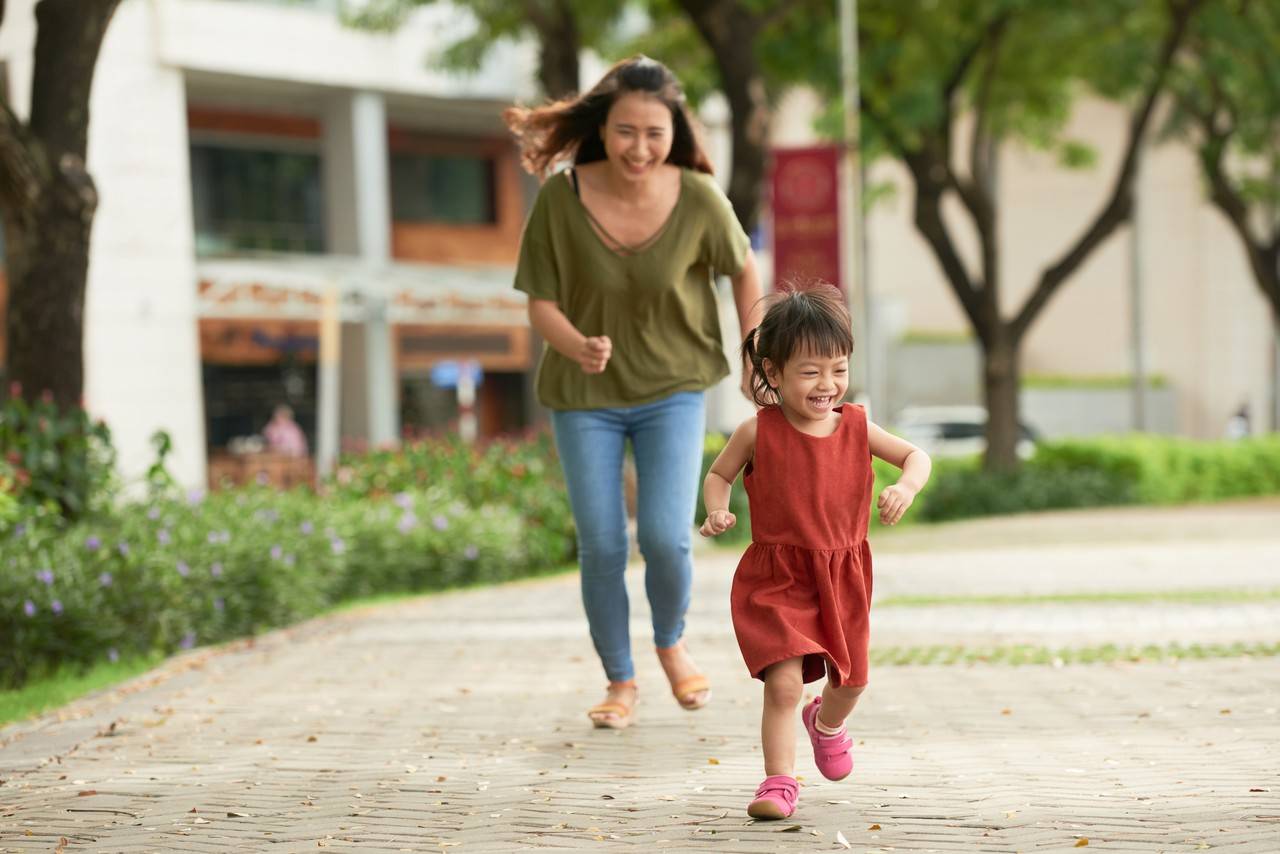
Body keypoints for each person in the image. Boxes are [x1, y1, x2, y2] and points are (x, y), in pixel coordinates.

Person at [506, 55, 764, 729]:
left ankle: (671, 642)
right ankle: (620, 680)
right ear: (603, 126)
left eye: (655, 132)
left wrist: (752, 350)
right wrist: (576, 344)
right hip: (582, 396)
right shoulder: (561, 199)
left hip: (673, 388)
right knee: (601, 543)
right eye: (626, 131)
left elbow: (743, 269)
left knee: (665, 537)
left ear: (674, 131)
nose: (640, 148)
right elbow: (540, 303)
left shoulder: (699, 197)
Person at [700, 283, 932, 819]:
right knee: (781, 684)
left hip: (843, 573)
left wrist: (906, 487)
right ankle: (778, 783)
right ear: (773, 372)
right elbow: (719, 474)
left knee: (851, 683)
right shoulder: (758, 430)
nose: (828, 384)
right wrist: (717, 509)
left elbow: (916, 455)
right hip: (778, 577)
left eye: (838, 368)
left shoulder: (856, 426)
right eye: (810, 372)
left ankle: (825, 722)